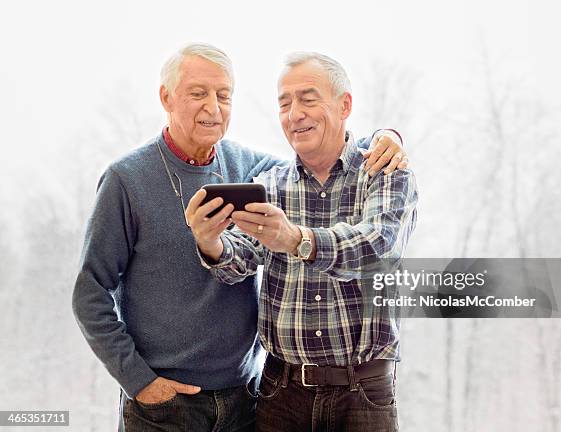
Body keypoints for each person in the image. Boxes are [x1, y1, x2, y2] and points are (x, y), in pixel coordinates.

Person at [72, 43, 408, 432]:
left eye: (223, 95)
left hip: (244, 399)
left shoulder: (256, 170)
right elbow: (90, 292)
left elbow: (323, 161)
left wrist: (387, 137)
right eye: (198, 93)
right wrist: (139, 381)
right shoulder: (126, 180)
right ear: (166, 97)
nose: (212, 107)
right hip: (164, 405)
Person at [189, 51, 418, 432]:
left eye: (308, 99)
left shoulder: (384, 172)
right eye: (284, 103)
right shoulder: (271, 184)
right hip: (282, 391)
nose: (295, 114)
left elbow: (380, 248)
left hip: (363, 392)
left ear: (344, 105)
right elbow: (241, 257)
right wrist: (210, 242)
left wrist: (297, 239)